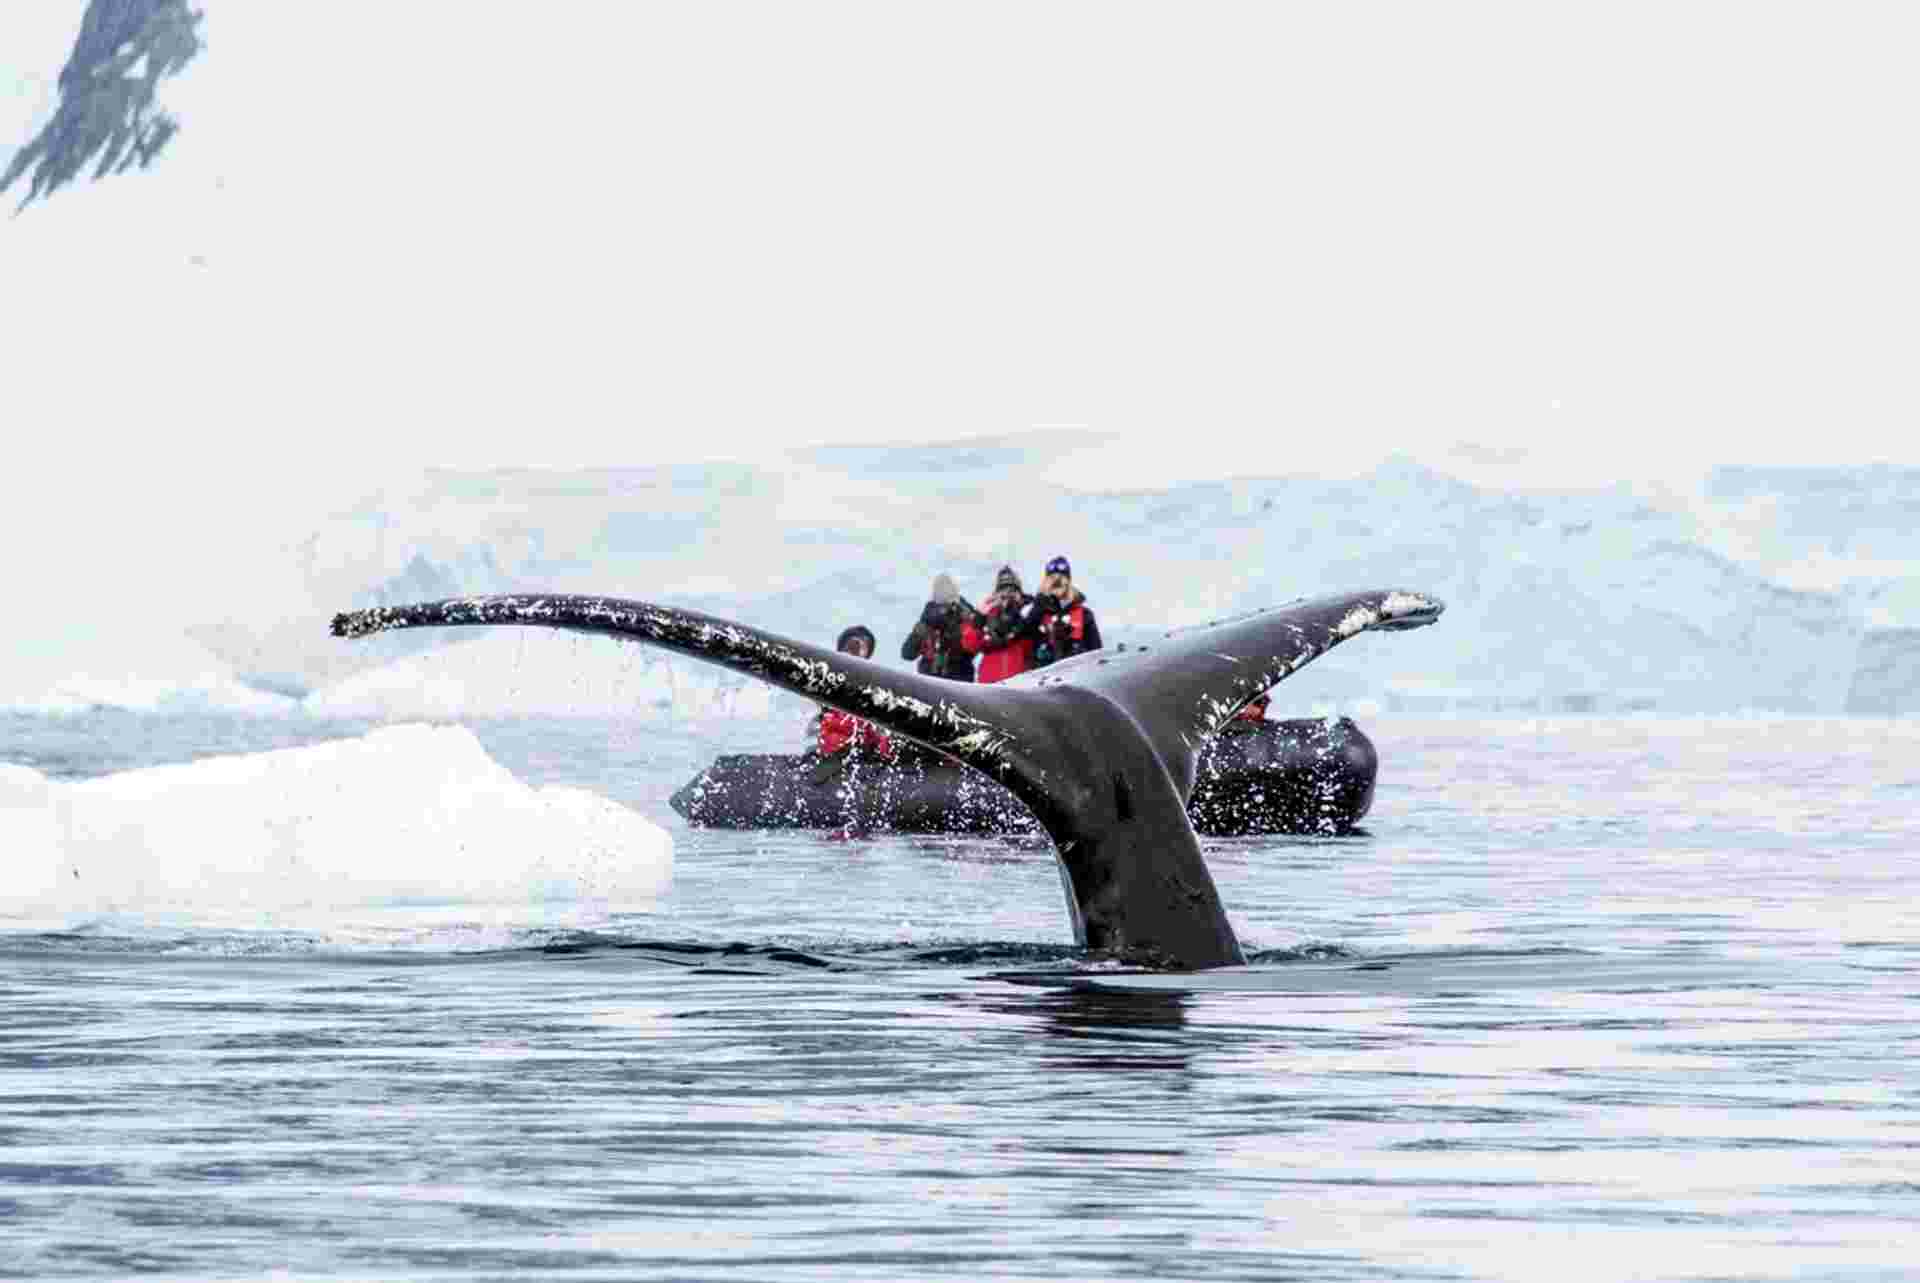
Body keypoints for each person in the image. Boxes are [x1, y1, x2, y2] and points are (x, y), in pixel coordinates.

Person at [809, 626, 894, 760]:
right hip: (833, 749)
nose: (855, 648)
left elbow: (880, 732)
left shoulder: (873, 685)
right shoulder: (828, 679)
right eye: (850, 645)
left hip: (862, 750)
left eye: (862, 645)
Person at [963, 564, 1037, 684]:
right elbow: (969, 645)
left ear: (1020, 594)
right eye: (1003, 591)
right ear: (996, 595)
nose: (1007, 596)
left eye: (1012, 591)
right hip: (990, 686)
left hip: (1020, 685)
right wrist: (979, 618)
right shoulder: (987, 616)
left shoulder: (1028, 616)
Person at [1027, 555, 1102, 668]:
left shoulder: (1085, 614)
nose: (1057, 582)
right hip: (1044, 680)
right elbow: (1026, 632)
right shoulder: (1038, 613)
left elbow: (1097, 653)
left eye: (1061, 577)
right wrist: (1040, 599)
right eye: (1052, 578)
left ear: (1068, 581)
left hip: (1077, 676)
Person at [900, 573, 977, 681]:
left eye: (948, 593)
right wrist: (921, 632)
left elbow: (973, 648)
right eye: (940, 593)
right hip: (930, 681)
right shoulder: (927, 621)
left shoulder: (965, 616)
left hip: (958, 680)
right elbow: (907, 653)